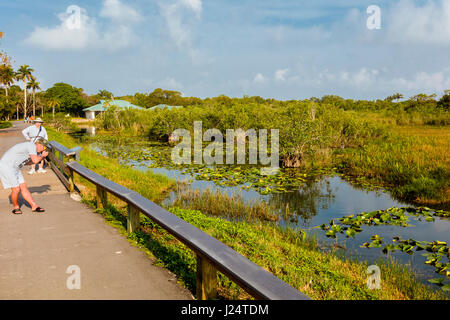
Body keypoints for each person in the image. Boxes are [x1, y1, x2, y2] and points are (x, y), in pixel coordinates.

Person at [0, 137, 48, 214]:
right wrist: (42, 156)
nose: (43, 149)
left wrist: (40, 158)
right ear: (39, 144)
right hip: (7, 167)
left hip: (15, 167)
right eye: (44, 147)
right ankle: (16, 208)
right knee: (16, 189)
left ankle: (34, 206)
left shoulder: (31, 149)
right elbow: (35, 160)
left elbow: (28, 162)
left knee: (23, 187)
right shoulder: (31, 146)